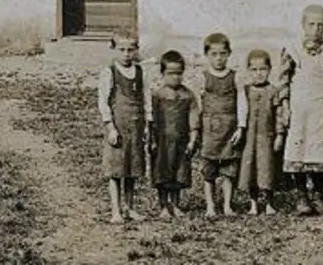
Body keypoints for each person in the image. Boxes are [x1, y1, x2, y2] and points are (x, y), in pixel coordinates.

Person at [278, 4, 323, 215]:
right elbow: (282, 80)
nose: (316, 29)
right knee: (299, 150)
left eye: (320, 25)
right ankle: (302, 196)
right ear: (303, 24)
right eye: (311, 24)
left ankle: (318, 195)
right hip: (299, 107)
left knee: (320, 150)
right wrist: (284, 106)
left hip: (322, 106)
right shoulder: (292, 49)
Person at [96, 31, 148, 223]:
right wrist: (110, 128)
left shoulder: (140, 72)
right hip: (118, 127)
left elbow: (146, 98)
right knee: (116, 170)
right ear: (114, 49)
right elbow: (103, 101)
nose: (126, 54)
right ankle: (116, 211)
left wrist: (147, 124)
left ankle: (130, 208)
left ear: (136, 50)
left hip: (135, 126)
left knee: (131, 169)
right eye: (122, 50)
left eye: (130, 50)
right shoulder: (109, 72)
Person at [195, 32, 247, 217]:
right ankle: (210, 206)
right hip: (209, 130)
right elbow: (198, 105)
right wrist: (197, 128)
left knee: (229, 170)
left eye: (222, 54)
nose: (218, 58)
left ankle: (227, 206)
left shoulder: (235, 77)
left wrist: (241, 127)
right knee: (208, 170)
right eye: (214, 54)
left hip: (229, 129)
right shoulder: (203, 77)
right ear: (206, 55)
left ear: (229, 54)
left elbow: (241, 102)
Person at [147, 49, 198, 218]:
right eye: (171, 73)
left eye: (179, 73)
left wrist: (193, 139)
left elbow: (193, 118)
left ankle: (175, 204)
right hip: (162, 141)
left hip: (181, 141)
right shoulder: (158, 95)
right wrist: (152, 139)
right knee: (162, 174)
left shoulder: (187, 95)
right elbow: (152, 118)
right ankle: (163, 206)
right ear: (162, 73)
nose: (175, 77)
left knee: (179, 173)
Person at [237, 49, 287, 215]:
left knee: (267, 169)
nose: (259, 73)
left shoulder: (273, 91)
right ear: (248, 70)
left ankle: (269, 203)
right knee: (250, 169)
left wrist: (279, 135)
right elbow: (240, 113)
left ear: (269, 70)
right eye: (254, 70)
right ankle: (253, 203)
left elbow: (279, 115)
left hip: (267, 138)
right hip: (249, 139)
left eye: (263, 69)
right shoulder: (246, 91)